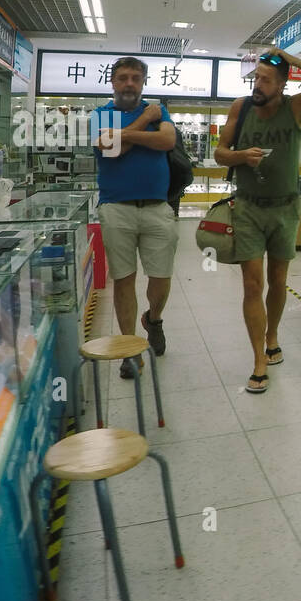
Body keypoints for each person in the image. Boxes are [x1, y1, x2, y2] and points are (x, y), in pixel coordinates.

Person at [213, 47, 301, 394]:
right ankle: (258, 359)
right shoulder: (242, 107)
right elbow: (219, 151)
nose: (258, 84)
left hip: (286, 209)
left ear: (282, 85)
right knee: (253, 284)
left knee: (278, 280)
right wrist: (240, 156)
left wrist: (292, 59)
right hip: (249, 207)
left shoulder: (295, 108)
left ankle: (272, 336)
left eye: (266, 79)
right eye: (257, 77)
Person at [90, 56, 179, 380]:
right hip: (116, 208)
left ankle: (153, 320)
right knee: (124, 279)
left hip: (157, 207)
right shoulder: (100, 115)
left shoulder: (161, 112)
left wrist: (124, 136)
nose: (129, 83)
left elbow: (167, 141)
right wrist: (143, 124)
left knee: (161, 276)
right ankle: (129, 349)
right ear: (112, 82)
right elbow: (108, 148)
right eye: (123, 78)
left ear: (143, 82)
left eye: (136, 78)